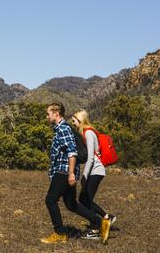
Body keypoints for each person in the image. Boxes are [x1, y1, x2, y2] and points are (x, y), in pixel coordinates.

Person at [40, 102, 111, 244]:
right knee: (71, 204)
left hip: (64, 171)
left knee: (50, 200)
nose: (47, 116)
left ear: (56, 113)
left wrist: (71, 173)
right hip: (66, 171)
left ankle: (60, 233)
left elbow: (72, 152)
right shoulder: (60, 129)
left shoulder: (63, 129)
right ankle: (101, 222)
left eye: (48, 113)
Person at [71, 109, 116, 242]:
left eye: (74, 120)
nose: (73, 123)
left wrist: (84, 175)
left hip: (96, 170)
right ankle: (106, 217)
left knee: (85, 199)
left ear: (80, 120)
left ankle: (96, 228)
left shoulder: (89, 133)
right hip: (94, 170)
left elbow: (91, 157)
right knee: (85, 199)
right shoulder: (86, 133)